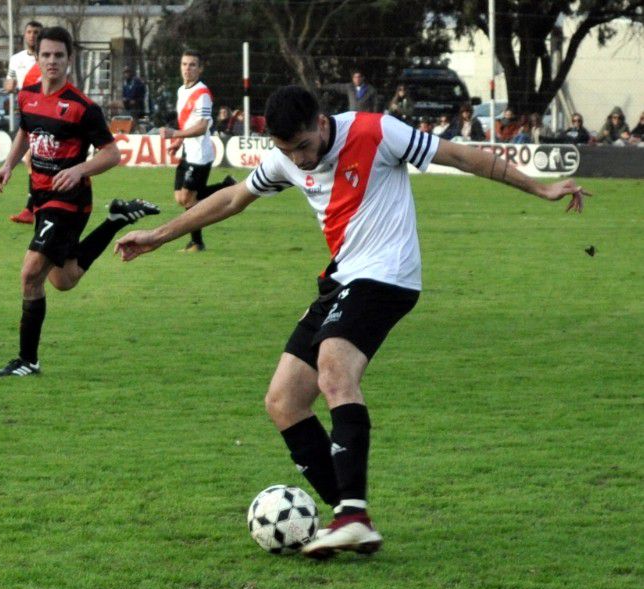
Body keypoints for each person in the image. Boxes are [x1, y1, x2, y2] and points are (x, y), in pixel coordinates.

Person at [115, 84, 588, 560]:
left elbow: (462, 157)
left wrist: (540, 187)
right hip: (341, 280)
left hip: (388, 275)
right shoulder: (286, 158)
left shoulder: (375, 131)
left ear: (322, 124)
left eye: (302, 146)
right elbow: (233, 199)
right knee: (284, 401)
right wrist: (157, 235)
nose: (298, 160)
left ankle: (352, 516)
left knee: (334, 367)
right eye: (286, 150)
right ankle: (346, 515)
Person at [0, 26, 160, 377]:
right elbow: (26, 131)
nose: (52, 61)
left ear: (70, 59)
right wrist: (8, 164)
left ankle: (27, 360)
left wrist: (80, 169)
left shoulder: (83, 107)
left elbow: (112, 154)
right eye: (47, 55)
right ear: (37, 58)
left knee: (30, 275)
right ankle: (116, 220)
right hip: (41, 198)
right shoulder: (28, 95)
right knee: (63, 280)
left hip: (68, 201)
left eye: (59, 56)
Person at [160, 50, 235, 252]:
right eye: (184, 64)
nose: (187, 68)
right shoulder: (181, 90)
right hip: (188, 151)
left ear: (200, 69)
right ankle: (226, 187)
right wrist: (178, 141)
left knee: (189, 199)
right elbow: (188, 121)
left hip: (200, 155)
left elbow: (202, 127)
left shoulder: (202, 94)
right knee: (180, 197)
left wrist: (174, 133)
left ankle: (196, 242)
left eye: (192, 65)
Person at [5, 20, 45, 226]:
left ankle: (33, 206)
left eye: (36, 32)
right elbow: (8, 82)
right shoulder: (16, 59)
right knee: (31, 159)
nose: (32, 35)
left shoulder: (48, 58)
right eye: (29, 32)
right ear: (24, 35)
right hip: (26, 112)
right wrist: (10, 86)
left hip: (43, 112)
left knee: (31, 158)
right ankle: (35, 205)